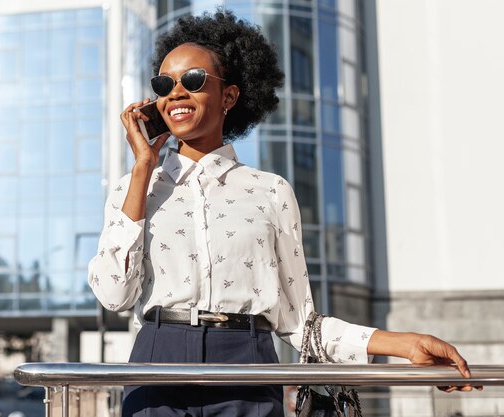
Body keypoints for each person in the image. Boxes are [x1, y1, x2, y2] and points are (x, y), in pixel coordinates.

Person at [87, 9, 478, 417]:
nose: (176, 93)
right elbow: (114, 294)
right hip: (156, 358)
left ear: (230, 96)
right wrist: (142, 167)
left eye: (194, 80)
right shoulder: (134, 187)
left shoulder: (270, 191)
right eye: (165, 84)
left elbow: (300, 323)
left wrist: (405, 345)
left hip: (246, 362)